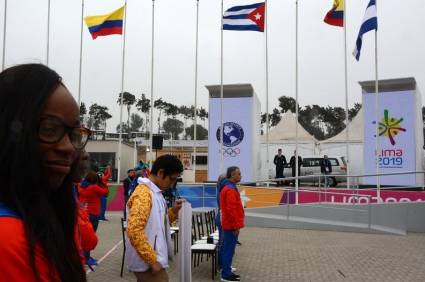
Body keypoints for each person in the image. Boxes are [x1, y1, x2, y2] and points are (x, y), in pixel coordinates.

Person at [0, 64, 90, 281]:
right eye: (50, 129)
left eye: (74, 134)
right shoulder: (10, 239)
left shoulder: (44, 217)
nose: (68, 147)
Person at [126, 154, 184, 282]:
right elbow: (134, 230)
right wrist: (152, 261)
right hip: (147, 263)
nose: (172, 184)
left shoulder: (155, 193)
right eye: (171, 179)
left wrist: (173, 211)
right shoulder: (144, 194)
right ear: (160, 172)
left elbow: (159, 223)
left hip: (150, 259)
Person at [78, 170, 109, 265]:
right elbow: (106, 192)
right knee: (90, 237)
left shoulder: (81, 186)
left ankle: (83, 256)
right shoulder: (94, 187)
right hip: (93, 214)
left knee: (83, 237)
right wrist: (102, 182)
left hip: (83, 212)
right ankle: (86, 258)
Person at [220, 167, 244, 282]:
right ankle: (226, 275)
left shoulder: (229, 188)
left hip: (229, 224)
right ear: (232, 175)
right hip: (230, 226)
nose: (240, 176)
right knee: (228, 250)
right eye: (238, 174)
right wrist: (235, 226)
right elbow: (231, 210)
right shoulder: (229, 189)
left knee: (228, 249)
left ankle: (227, 271)